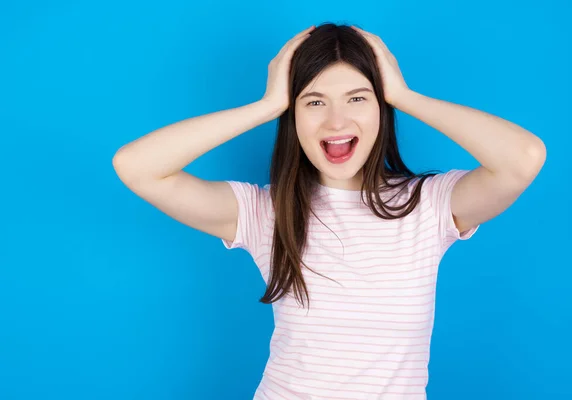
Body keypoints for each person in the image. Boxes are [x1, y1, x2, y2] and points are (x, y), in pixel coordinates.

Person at [113, 23, 546, 400]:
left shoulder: (429, 205)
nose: (336, 122)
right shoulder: (266, 210)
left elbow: (523, 159)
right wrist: (265, 107)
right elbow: (136, 167)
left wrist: (403, 95)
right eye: (314, 102)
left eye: (358, 99)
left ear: (382, 109)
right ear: (293, 114)